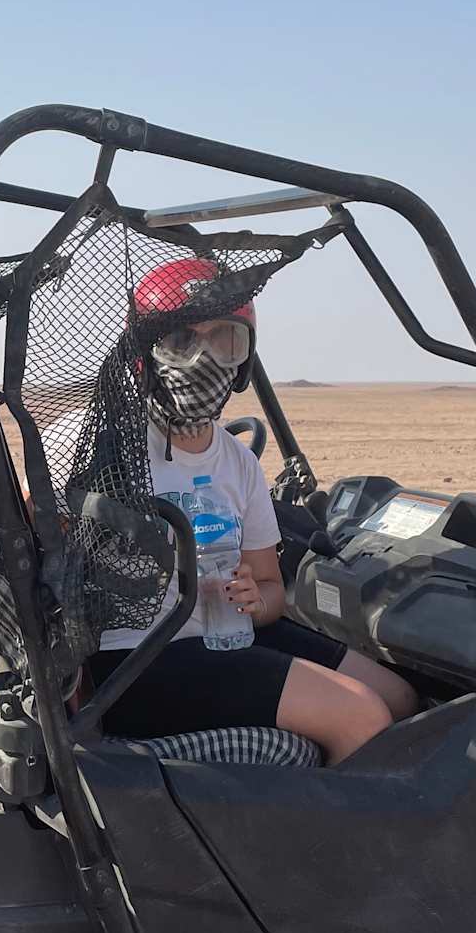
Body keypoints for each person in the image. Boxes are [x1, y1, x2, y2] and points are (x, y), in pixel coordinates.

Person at [53, 257, 417, 763]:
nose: (203, 359)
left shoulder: (237, 462)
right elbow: (28, 538)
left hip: (222, 635)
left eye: (224, 340)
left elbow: (270, 591)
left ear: (243, 359)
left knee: (399, 698)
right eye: (181, 341)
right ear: (145, 354)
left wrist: (253, 598)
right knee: (360, 716)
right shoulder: (94, 436)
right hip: (133, 661)